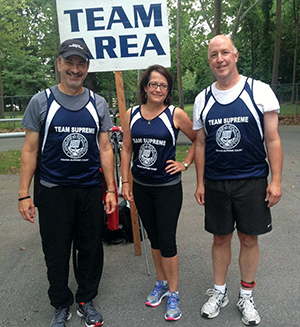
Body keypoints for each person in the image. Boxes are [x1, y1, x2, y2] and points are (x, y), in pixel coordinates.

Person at [18, 39, 117, 327]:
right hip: (53, 191)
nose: (75, 69)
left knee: (90, 249)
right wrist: (24, 194)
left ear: (87, 67)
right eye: (70, 62)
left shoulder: (97, 103)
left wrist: (111, 188)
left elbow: (106, 148)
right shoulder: (41, 101)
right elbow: (30, 150)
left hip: (89, 190)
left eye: (81, 63)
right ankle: (61, 303)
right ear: (59, 63)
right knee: (56, 251)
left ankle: (86, 299)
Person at [193, 35, 282, 326]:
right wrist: (200, 182)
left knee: (248, 238)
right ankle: (219, 292)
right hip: (217, 182)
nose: (219, 59)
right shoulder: (202, 99)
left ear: (235, 55)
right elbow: (201, 144)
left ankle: (246, 294)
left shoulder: (260, 91)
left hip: (252, 180)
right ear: (210, 61)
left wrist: (276, 180)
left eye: (224, 53)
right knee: (220, 238)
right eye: (213, 55)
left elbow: (273, 139)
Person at [121, 65, 196, 321]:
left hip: (167, 189)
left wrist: (185, 164)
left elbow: (199, 139)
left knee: (167, 240)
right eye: (153, 84)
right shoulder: (131, 114)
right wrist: (125, 182)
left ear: (168, 91)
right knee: (153, 239)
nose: (157, 89)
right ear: (144, 87)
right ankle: (161, 283)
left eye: (163, 85)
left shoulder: (175, 114)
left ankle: (173, 293)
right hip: (142, 187)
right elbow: (126, 150)